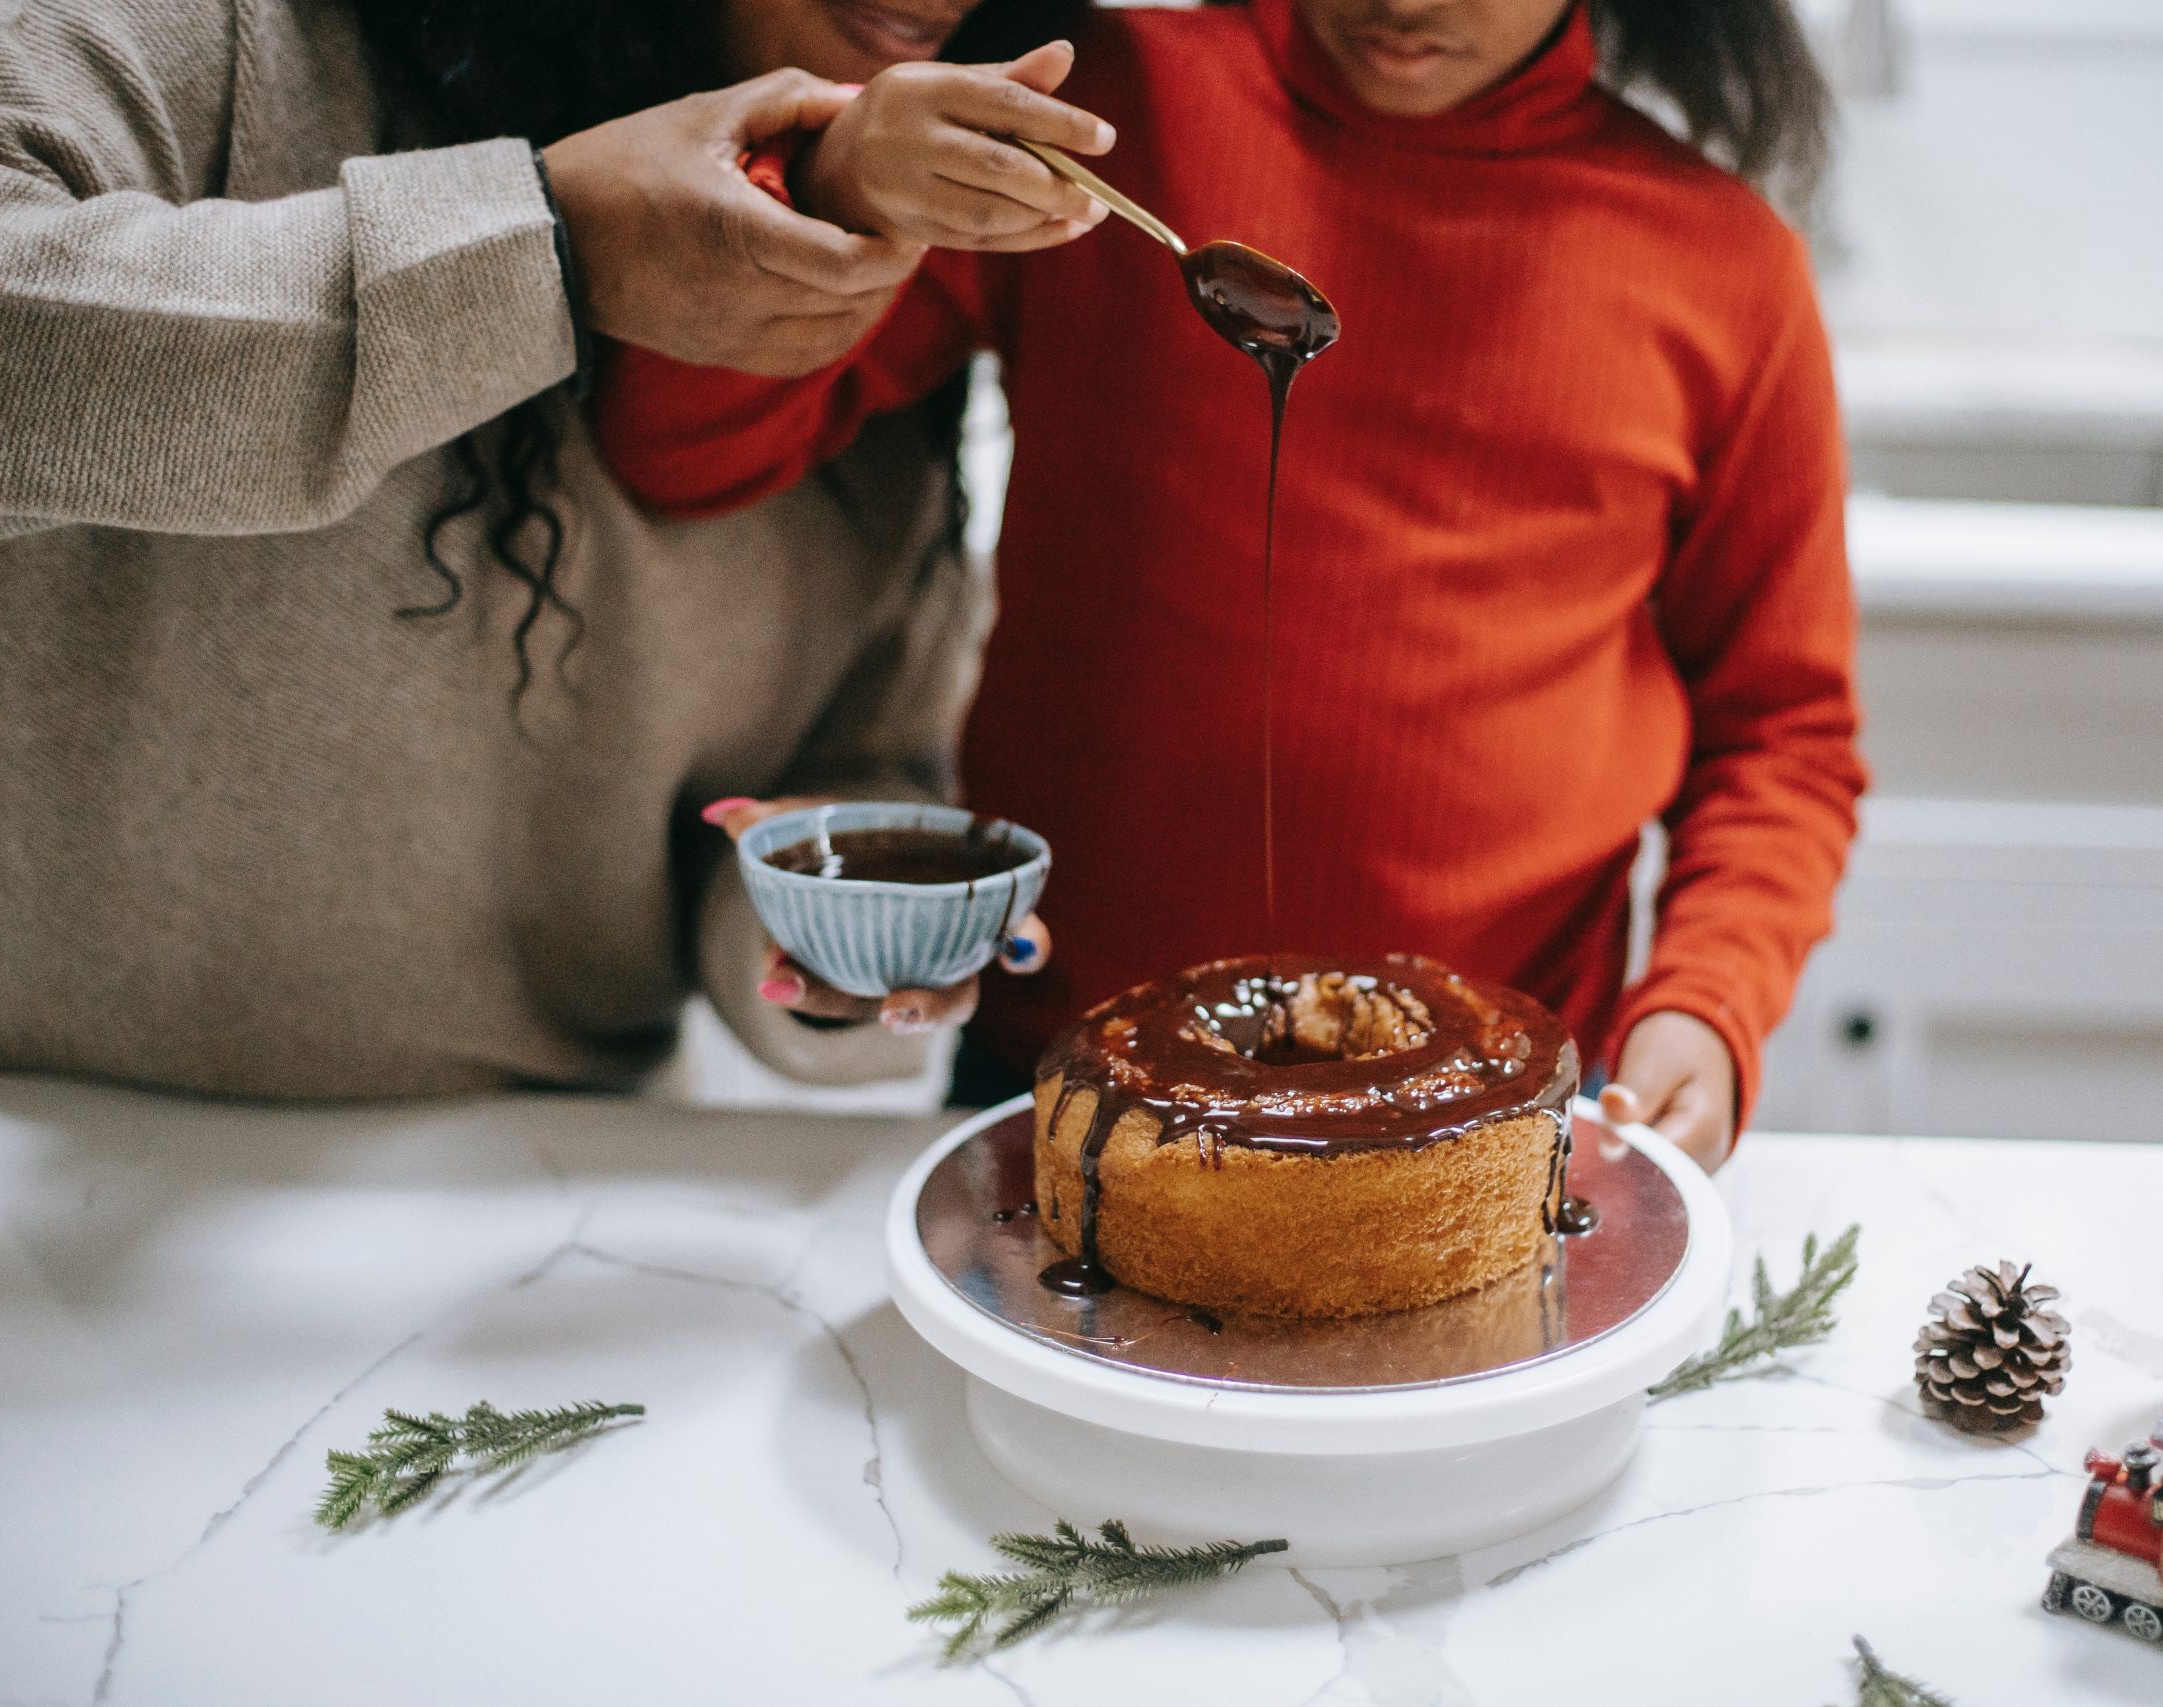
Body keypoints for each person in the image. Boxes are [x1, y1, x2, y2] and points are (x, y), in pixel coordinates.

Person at [597, 0, 1865, 1170]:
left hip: (1497, 1107)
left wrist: (1707, 1001)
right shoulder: (1109, 118)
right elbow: (687, 446)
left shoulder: (1722, 268)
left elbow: (1785, 738)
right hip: (1059, 1077)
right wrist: (834, 180)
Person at [0, 0, 1086, 1099]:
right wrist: (546, 248)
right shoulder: (221, 37)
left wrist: (832, 924)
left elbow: (840, 770)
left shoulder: (893, 264)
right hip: (28, 1166)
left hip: (540, 1204)